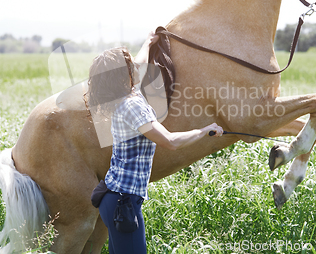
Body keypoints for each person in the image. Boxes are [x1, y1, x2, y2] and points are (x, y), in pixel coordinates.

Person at [85, 32, 223, 253]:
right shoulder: (132, 106)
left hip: (116, 198)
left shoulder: (126, 94)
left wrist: (149, 42)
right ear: (123, 76)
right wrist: (205, 130)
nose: (136, 68)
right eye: (129, 67)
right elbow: (169, 141)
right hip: (123, 203)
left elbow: (139, 63)